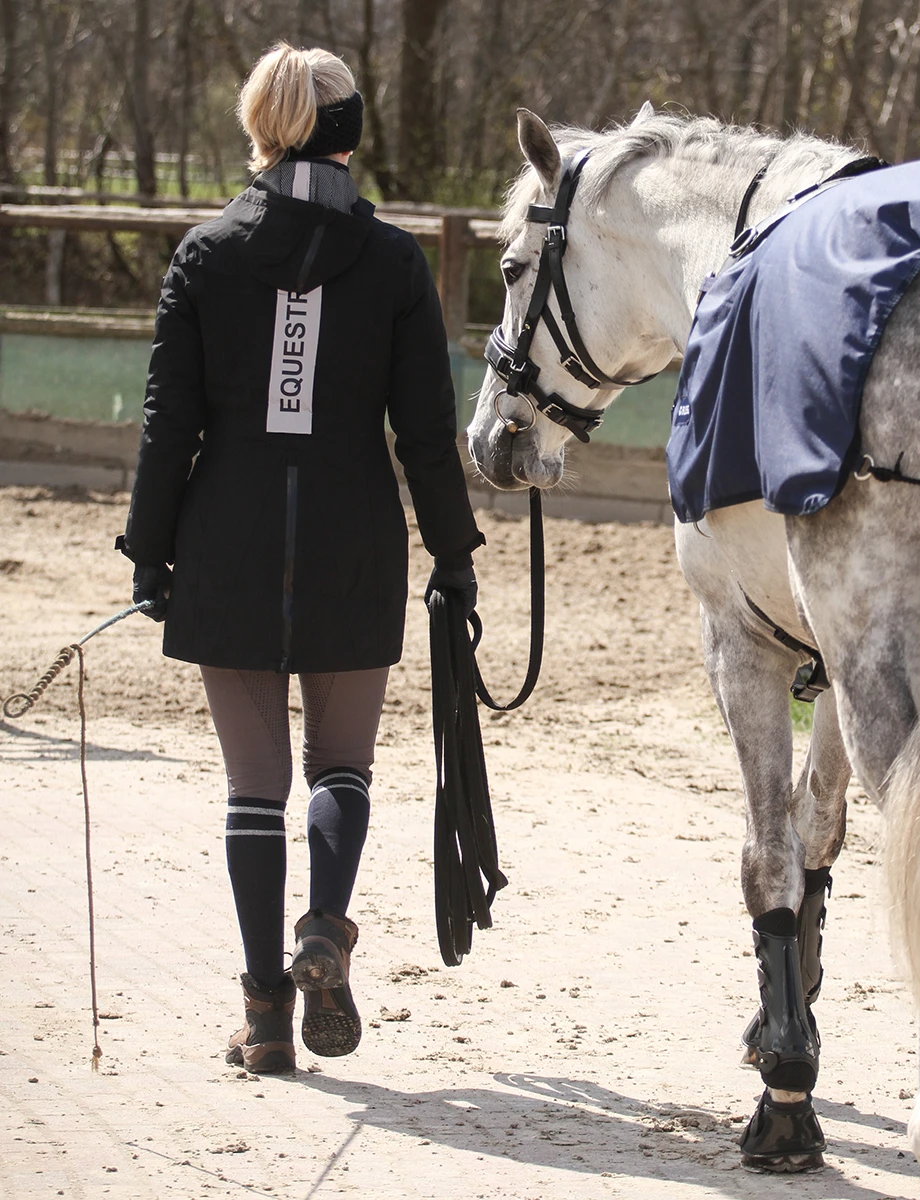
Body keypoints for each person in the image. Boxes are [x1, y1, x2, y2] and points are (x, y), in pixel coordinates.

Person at [118, 43, 483, 1074]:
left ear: (262, 130)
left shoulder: (205, 252)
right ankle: (323, 924)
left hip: (225, 541)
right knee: (342, 767)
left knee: (251, 787)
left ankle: (267, 1015)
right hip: (352, 539)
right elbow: (424, 431)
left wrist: (148, 548)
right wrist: (454, 554)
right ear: (349, 134)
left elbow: (167, 422)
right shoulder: (397, 262)